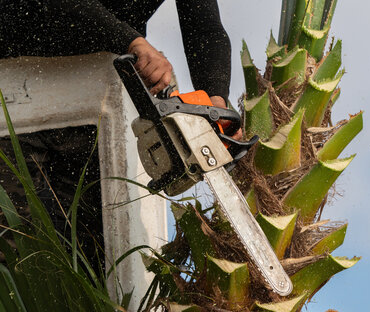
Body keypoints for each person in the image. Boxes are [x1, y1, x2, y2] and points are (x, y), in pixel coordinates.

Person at [0, 0, 234, 270]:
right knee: (14, 246)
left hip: (102, 98)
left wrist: (215, 103)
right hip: (14, 96)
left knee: (97, 259)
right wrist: (133, 41)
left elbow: (204, 29)